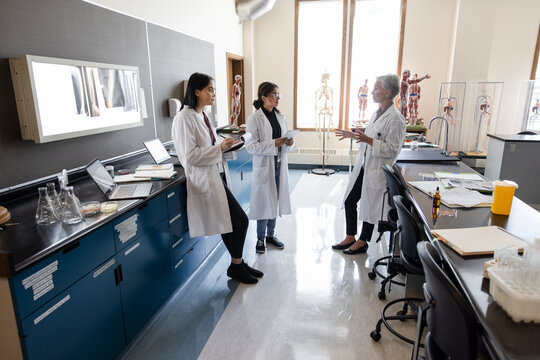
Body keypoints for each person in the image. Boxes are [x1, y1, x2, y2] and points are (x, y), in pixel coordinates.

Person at [171, 72, 263, 284]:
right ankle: (237, 266)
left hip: (217, 175)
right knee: (240, 220)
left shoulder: (202, 115)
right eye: (210, 89)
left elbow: (210, 146)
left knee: (227, 222)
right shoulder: (184, 118)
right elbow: (190, 155)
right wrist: (218, 148)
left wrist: (228, 146)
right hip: (203, 178)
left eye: (214, 90)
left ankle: (237, 263)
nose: (214, 94)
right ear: (197, 91)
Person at [332, 74, 406, 254]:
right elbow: (373, 135)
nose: (372, 92)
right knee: (350, 201)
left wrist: (369, 140)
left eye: (376, 88)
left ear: (387, 92)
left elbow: (393, 149)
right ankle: (350, 236)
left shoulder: (396, 118)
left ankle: (363, 240)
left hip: (378, 170)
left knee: (370, 205)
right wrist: (355, 135)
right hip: (366, 166)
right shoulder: (378, 112)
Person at [245, 82, 295, 254]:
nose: (278, 97)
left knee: (275, 199)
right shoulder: (254, 119)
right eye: (274, 94)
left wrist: (289, 142)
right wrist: (274, 143)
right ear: (263, 97)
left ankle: (271, 235)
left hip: (279, 163)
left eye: (278, 94)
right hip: (265, 165)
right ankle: (260, 238)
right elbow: (251, 146)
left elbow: (285, 141)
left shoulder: (280, 116)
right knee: (264, 200)